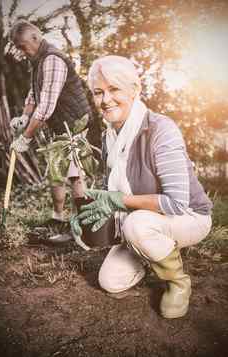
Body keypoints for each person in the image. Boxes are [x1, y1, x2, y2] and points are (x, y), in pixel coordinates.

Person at [71, 55, 213, 319]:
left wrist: (116, 201)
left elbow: (176, 203)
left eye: (114, 89)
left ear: (135, 89)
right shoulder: (109, 135)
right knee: (111, 282)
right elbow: (111, 190)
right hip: (143, 220)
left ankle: (178, 282)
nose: (105, 100)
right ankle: (151, 251)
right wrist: (86, 215)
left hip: (188, 217)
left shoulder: (161, 129)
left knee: (136, 225)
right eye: (98, 92)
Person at [9, 20, 93, 242]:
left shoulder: (53, 60)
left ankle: (83, 224)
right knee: (56, 173)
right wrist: (24, 117)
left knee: (73, 174)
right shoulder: (37, 61)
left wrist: (26, 138)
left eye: (23, 46)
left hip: (73, 123)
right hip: (60, 124)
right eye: (18, 48)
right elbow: (34, 94)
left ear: (35, 38)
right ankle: (58, 218)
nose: (22, 52)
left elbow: (46, 105)